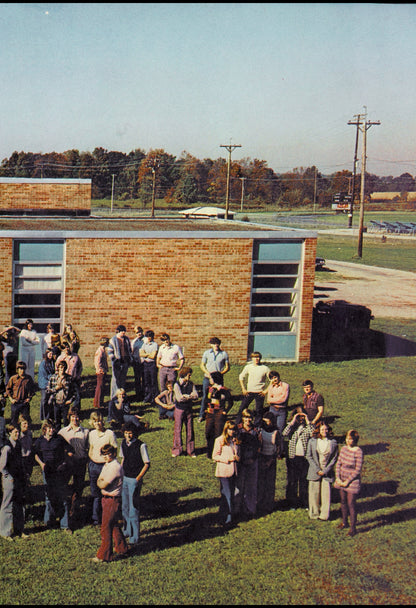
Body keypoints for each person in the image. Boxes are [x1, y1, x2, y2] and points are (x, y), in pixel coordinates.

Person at [34, 419, 74, 531]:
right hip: (47, 471)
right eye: (49, 428)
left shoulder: (59, 438)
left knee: (63, 496)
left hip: (59, 471)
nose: (52, 430)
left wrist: (66, 459)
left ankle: (65, 525)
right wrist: (41, 464)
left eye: (53, 428)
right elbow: (35, 453)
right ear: (44, 429)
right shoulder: (40, 441)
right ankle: (49, 522)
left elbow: (70, 449)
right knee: (49, 497)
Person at [93, 443, 129, 563]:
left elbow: (102, 483)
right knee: (113, 525)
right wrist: (100, 481)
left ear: (113, 454)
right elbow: (100, 480)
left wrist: (100, 482)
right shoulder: (107, 465)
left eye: (108, 454)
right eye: (104, 455)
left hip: (112, 500)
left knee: (105, 527)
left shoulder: (115, 467)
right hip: (106, 499)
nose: (106, 457)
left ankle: (104, 555)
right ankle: (122, 548)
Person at [58, 406, 89, 528]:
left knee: (78, 488)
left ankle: (74, 513)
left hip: (80, 463)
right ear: (69, 417)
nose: (75, 419)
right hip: (68, 464)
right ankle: (63, 512)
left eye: (76, 416)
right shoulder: (63, 432)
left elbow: (88, 447)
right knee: (64, 487)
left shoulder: (85, 432)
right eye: (72, 416)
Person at [120, 422, 150, 546]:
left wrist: (138, 478)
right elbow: (123, 459)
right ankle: (127, 530)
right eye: (126, 433)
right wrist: (120, 473)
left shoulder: (141, 445)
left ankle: (135, 536)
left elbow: (147, 464)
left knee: (133, 509)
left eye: (130, 433)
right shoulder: (123, 443)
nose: (128, 435)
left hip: (134, 480)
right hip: (125, 478)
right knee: (125, 507)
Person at [88, 411, 118, 526]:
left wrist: (109, 464)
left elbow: (115, 449)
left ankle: (108, 516)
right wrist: (92, 459)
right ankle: (96, 518)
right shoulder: (91, 434)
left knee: (106, 492)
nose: (98, 423)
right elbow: (91, 448)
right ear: (92, 423)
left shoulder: (110, 433)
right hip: (93, 465)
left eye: (99, 421)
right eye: (95, 421)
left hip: (105, 466)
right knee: (95, 493)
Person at [306, 421, 338, 521]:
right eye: (322, 429)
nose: (325, 431)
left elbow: (334, 458)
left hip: (326, 472)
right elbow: (309, 456)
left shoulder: (333, 442)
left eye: (326, 429)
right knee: (314, 494)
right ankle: (314, 513)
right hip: (314, 470)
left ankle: (324, 515)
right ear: (318, 430)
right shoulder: (312, 441)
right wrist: (317, 469)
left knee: (326, 494)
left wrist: (325, 470)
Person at [0, 422, 27, 540]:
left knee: (19, 504)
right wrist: (8, 477)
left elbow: (20, 461)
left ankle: (19, 529)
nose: (17, 434)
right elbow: (2, 466)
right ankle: (5, 532)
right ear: (9, 433)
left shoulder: (18, 444)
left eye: (18, 432)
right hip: (9, 479)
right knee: (7, 504)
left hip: (19, 478)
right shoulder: (7, 447)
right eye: (15, 432)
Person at [334, 429, 364, 537]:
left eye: (350, 439)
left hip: (352, 481)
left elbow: (357, 470)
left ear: (355, 440)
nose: (348, 441)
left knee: (351, 503)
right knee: (343, 501)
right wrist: (338, 478)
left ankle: (353, 528)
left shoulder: (358, 451)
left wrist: (347, 481)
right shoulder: (343, 449)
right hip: (341, 479)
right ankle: (344, 522)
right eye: (347, 438)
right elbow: (338, 463)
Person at [282, 412, 314, 509]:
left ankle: (304, 502)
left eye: (302, 417)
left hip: (304, 458)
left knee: (304, 481)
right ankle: (292, 503)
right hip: (293, 458)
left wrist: (308, 421)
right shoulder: (291, 427)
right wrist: (292, 421)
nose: (300, 419)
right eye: (298, 417)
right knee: (292, 481)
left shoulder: (307, 428)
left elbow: (313, 433)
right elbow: (284, 434)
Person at [212, 420, 240, 526]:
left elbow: (237, 453)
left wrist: (237, 457)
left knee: (230, 493)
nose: (232, 431)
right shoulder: (219, 440)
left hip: (233, 471)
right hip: (224, 471)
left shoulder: (235, 441)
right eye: (230, 429)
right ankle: (229, 517)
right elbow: (214, 456)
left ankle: (223, 514)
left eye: (233, 429)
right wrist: (228, 459)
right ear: (226, 429)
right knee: (228, 494)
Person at [234, 409, 261, 520]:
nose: (248, 420)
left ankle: (250, 509)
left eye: (250, 417)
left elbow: (259, 447)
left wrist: (253, 459)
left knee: (251, 487)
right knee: (238, 487)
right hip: (240, 461)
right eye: (246, 417)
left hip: (252, 460)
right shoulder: (238, 429)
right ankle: (236, 510)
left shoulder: (256, 430)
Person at [198, 337, 230, 422]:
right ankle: (202, 415)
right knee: (206, 396)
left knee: (219, 396)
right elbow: (202, 365)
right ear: (211, 344)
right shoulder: (207, 353)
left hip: (218, 378)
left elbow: (227, 367)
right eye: (214, 343)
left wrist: (220, 374)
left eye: (217, 343)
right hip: (207, 378)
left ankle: (219, 414)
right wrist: (208, 374)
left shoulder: (224, 354)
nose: (216, 345)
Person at [236, 352, 270, 427]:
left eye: (258, 357)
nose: (256, 359)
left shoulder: (265, 368)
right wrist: (243, 389)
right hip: (249, 392)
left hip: (259, 392)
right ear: (252, 358)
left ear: (260, 358)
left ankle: (257, 426)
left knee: (259, 411)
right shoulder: (248, 367)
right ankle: (238, 424)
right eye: (254, 357)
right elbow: (241, 377)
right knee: (242, 408)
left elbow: (272, 380)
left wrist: (265, 391)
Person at [257, 412, 282, 515]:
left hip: (271, 458)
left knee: (270, 483)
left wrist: (270, 461)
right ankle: (259, 503)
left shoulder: (276, 432)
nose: (266, 424)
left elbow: (278, 448)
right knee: (260, 482)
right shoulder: (260, 431)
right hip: (261, 457)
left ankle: (268, 504)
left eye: (268, 422)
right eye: (265, 421)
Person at [205, 371, 233, 459]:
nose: (209, 379)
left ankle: (218, 452)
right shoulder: (209, 388)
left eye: (211, 378)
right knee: (208, 432)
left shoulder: (223, 390)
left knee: (218, 433)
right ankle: (209, 452)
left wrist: (225, 411)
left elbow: (230, 402)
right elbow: (206, 399)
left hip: (219, 414)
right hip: (210, 413)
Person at [171, 367, 198, 458]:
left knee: (190, 430)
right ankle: (177, 450)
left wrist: (187, 396)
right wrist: (189, 396)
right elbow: (179, 398)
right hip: (179, 409)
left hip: (189, 409)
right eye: (189, 375)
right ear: (184, 375)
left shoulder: (191, 384)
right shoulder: (177, 385)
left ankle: (191, 450)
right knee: (178, 430)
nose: (190, 376)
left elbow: (196, 395)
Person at [46, 360, 79, 431]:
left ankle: (66, 435)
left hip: (65, 403)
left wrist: (70, 400)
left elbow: (74, 392)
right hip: (56, 402)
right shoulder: (53, 378)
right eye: (61, 368)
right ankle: (58, 435)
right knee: (57, 421)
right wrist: (56, 388)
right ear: (58, 368)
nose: (62, 370)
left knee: (66, 421)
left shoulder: (69, 378)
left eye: (64, 368)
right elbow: (48, 390)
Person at [6, 360, 36, 426]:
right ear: (17, 370)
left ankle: (25, 432)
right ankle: (14, 430)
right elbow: (8, 389)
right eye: (20, 369)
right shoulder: (13, 378)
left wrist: (29, 398)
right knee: (14, 419)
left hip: (24, 402)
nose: (22, 371)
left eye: (23, 369)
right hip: (15, 402)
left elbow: (32, 390)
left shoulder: (28, 379)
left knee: (25, 418)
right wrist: (11, 399)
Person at [108, 325, 133, 400]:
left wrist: (129, 359)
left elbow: (129, 350)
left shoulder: (126, 339)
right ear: (118, 331)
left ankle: (122, 395)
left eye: (124, 331)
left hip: (125, 362)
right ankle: (114, 396)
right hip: (117, 362)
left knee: (123, 379)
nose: (124, 333)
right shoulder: (113, 340)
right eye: (122, 331)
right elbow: (110, 351)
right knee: (115, 380)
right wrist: (114, 360)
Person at [56, 341, 83, 407]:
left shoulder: (75, 356)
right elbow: (56, 369)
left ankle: (75, 411)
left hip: (74, 379)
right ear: (62, 349)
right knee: (66, 397)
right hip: (65, 380)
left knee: (77, 396)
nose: (67, 349)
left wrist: (78, 375)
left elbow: (80, 367)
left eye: (67, 347)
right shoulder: (60, 358)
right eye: (64, 348)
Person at [266, 371, 290, 438]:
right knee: (271, 428)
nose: (274, 379)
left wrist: (272, 400)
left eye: (275, 377)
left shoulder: (285, 386)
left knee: (280, 430)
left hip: (281, 410)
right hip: (272, 409)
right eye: (272, 378)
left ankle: (280, 447)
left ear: (278, 377)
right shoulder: (271, 387)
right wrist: (276, 400)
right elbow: (268, 400)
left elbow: (283, 399)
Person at [140, 330, 159, 404]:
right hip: (145, 364)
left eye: (149, 336)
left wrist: (146, 354)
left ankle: (154, 397)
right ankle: (147, 396)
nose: (148, 338)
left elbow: (153, 356)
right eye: (147, 336)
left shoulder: (155, 345)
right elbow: (141, 354)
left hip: (152, 364)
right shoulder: (144, 344)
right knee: (146, 381)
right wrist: (148, 354)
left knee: (153, 381)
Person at [37, 348, 55, 420]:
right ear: (46, 354)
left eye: (52, 354)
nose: (51, 355)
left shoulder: (52, 362)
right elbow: (45, 374)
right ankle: (44, 416)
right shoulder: (43, 363)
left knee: (50, 400)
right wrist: (53, 377)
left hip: (50, 383)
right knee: (44, 400)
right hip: (44, 384)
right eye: (49, 353)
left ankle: (50, 415)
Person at [18, 413, 34, 488]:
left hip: (28, 457)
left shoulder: (30, 433)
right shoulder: (18, 436)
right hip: (21, 458)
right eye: (24, 424)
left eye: (27, 424)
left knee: (28, 475)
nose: (26, 426)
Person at [93, 337, 109, 409]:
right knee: (99, 387)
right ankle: (98, 403)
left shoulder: (102, 350)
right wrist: (99, 369)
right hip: (101, 371)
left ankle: (99, 402)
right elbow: (97, 361)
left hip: (103, 370)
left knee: (101, 387)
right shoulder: (100, 351)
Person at [131, 326, 144, 401]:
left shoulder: (145, 340)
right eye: (137, 332)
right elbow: (132, 351)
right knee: (137, 379)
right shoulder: (134, 341)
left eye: (140, 332)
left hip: (143, 363)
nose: (139, 334)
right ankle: (138, 395)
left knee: (144, 379)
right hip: (136, 363)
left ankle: (144, 394)